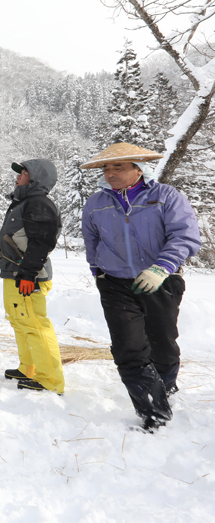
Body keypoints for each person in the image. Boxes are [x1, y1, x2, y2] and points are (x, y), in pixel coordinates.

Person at [81, 143, 200, 432]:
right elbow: (91, 240)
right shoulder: (97, 202)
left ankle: (166, 387)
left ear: (138, 168)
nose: (110, 173)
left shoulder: (165, 197)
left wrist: (161, 268)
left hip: (160, 281)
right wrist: (98, 272)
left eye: (118, 167)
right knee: (128, 348)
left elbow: (185, 236)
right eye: (106, 168)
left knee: (162, 343)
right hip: (116, 284)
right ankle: (153, 411)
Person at [0, 160, 64, 393]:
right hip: (14, 273)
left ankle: (50, 380)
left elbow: (41, 243)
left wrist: (28, 274)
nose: (18, 176)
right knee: (20, 322)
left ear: (36, 178)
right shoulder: (23, 202)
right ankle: (29, 368)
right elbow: (13, 240)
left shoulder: (39, 203)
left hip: (28, 276)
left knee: (35, 325)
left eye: (24, 173)